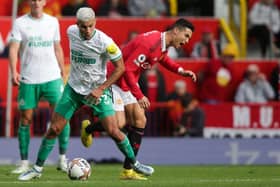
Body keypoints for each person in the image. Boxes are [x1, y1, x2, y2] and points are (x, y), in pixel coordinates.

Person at [18, 7, 154, 181]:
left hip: (98, 92)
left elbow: (121, 68)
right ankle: (36, 169)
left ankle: (134, 163)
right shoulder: (70, 32)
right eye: (83, 27)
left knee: (113, 130)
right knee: (54, 128)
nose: (87, 30)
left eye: (90, 26)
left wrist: (102, 88)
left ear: (95, 23)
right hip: (74, 89)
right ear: (77, 25)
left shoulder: (106, 43)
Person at [81, 18, 196, 179]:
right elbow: (126, 69)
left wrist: (181, 70)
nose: (186, 41)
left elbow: (162, 59)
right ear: (176, 31)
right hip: (114, 80)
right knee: (119, 124)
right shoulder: (150, 43)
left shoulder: (162, 44)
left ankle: (128, 170)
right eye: (186, 35)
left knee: (140, 120)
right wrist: (140, 95)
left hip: (127, 82)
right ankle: (88, 129)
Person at [9, 0, 70, 174]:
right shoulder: (20, 23)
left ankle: (62, 159)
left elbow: (57, 47)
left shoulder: (53, 22)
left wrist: (62, 71)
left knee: (62, 116)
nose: (36, 2)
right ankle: (24, 163)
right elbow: (14, 48)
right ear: (29, 2)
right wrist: (14, 70)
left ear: (44, 2)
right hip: (29, 78)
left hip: (52, 77)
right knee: (26, 119)